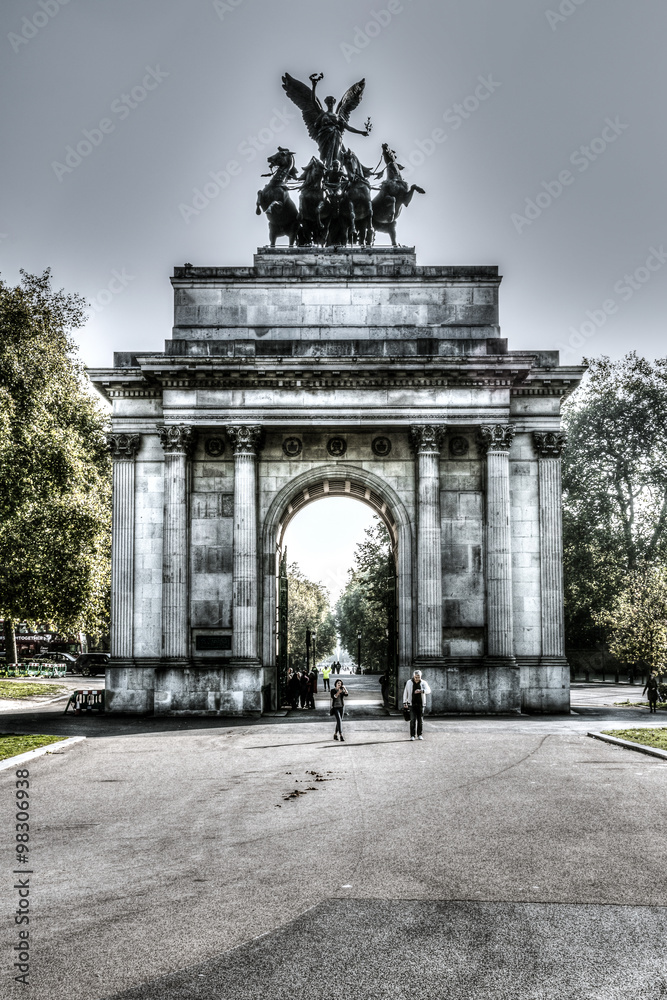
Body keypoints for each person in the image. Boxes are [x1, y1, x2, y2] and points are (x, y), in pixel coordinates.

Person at [403, 669, 431, 740]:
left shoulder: (423, 682)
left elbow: (428, 690)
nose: (417, 678)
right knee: (412, 720)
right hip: (411, 704)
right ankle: (412, 735)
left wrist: (421, 691)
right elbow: (405, 693)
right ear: (413, 676)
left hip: (421, 704)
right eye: (416, 677)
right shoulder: (409, 682)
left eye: (418, 677)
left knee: (420, 720)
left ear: (420, 676)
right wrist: (405, 702)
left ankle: (419, 734)